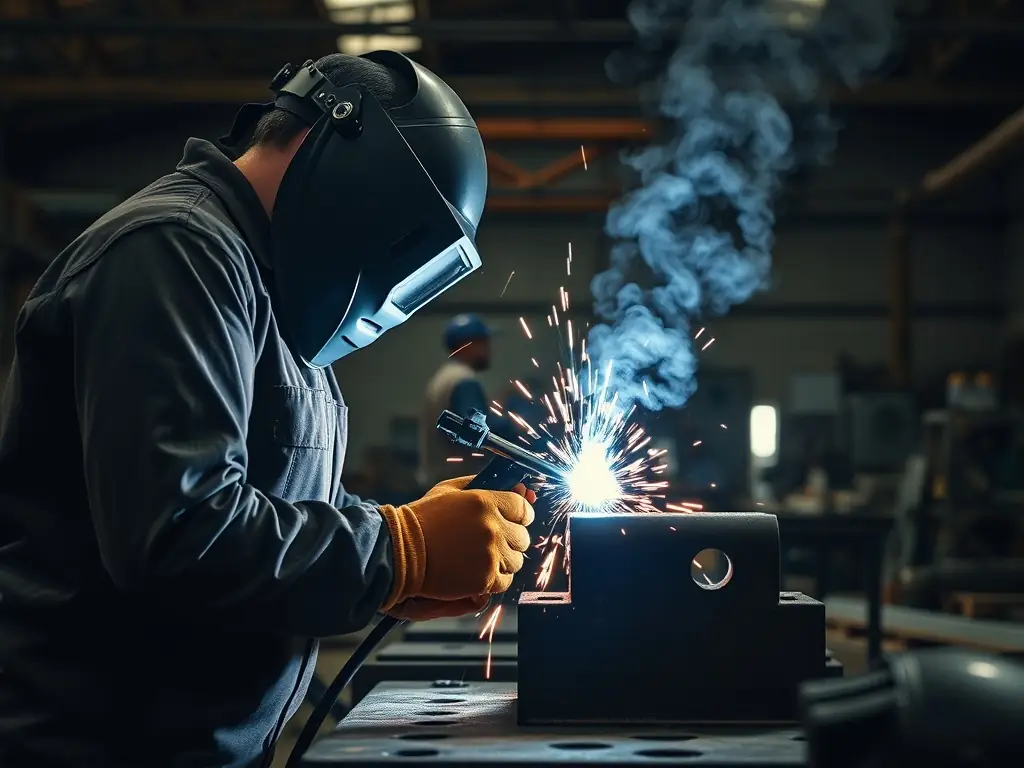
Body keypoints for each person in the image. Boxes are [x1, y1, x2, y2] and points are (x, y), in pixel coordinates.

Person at [0, 51, 535, 768]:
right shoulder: (176, 252)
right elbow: (180, 532)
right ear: (342, 160)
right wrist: (395, 548)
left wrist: (389, 576)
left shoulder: (268, 290)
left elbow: (272, 500)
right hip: (97, 744)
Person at [418, 313, 501, 488]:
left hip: (440, 484)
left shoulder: (444, 377)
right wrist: (511, 424)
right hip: (458, 487)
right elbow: (476, 434)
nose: (489, 349)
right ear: (466, 345)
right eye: (483, 342)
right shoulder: (463, 381)